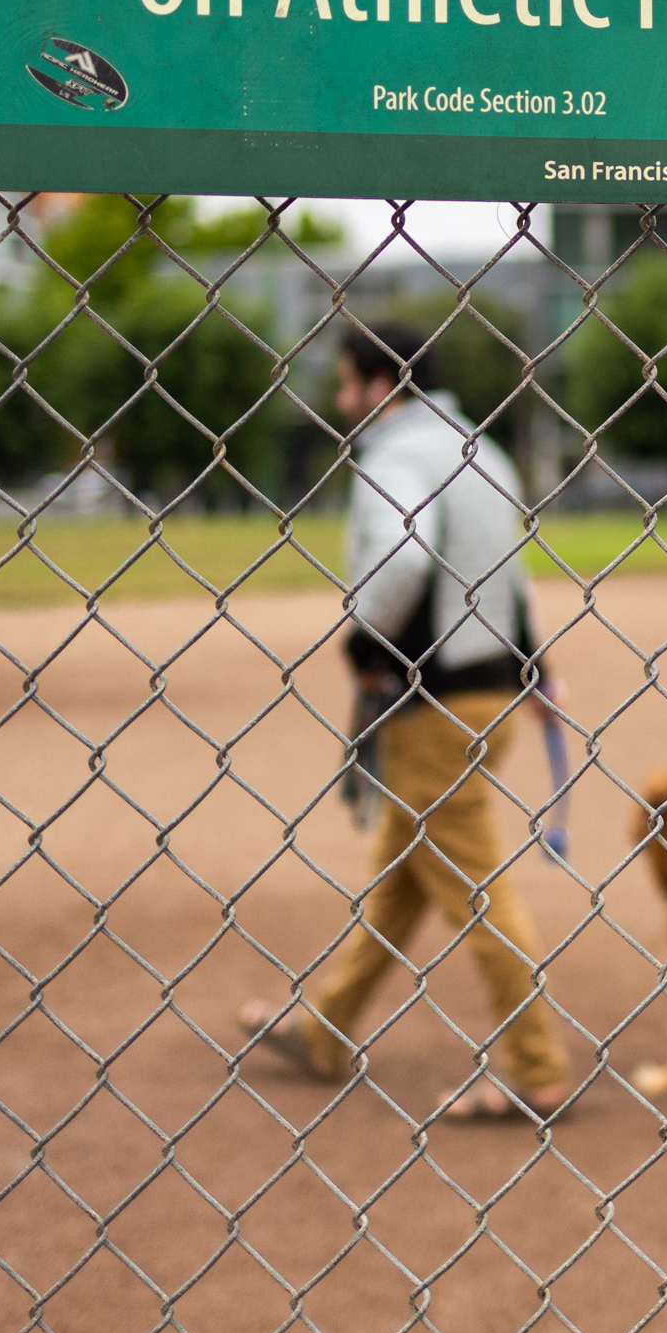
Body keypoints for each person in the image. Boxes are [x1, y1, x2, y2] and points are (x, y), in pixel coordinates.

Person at [239, 321, 573, 1121]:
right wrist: (531, 663)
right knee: (400, 878)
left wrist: (364, 638)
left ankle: (536, 1069)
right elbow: (508, 569)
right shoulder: (479, 447)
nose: (341, 396)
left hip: (432, 699)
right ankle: (326, 1028)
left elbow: (406, 559)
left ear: (382, 383)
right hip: (488, 686)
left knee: (473, 887)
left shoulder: (397, 455)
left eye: (349, 381)